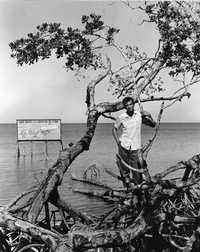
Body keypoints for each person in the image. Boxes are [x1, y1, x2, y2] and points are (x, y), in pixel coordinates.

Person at [112, 96, 156, 186]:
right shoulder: (121, 117)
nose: (129, 106)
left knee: (137, 172)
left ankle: (138, 191)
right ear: (125, 107)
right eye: (127, 105)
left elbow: (153, 125)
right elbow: (114, 129)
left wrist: (149, 115)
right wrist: (118, 142)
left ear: (133, 105)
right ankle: (127, 190)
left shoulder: (139, 115)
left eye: (131, 104)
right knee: (124, 172)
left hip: (136, 148)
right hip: (123, 146)